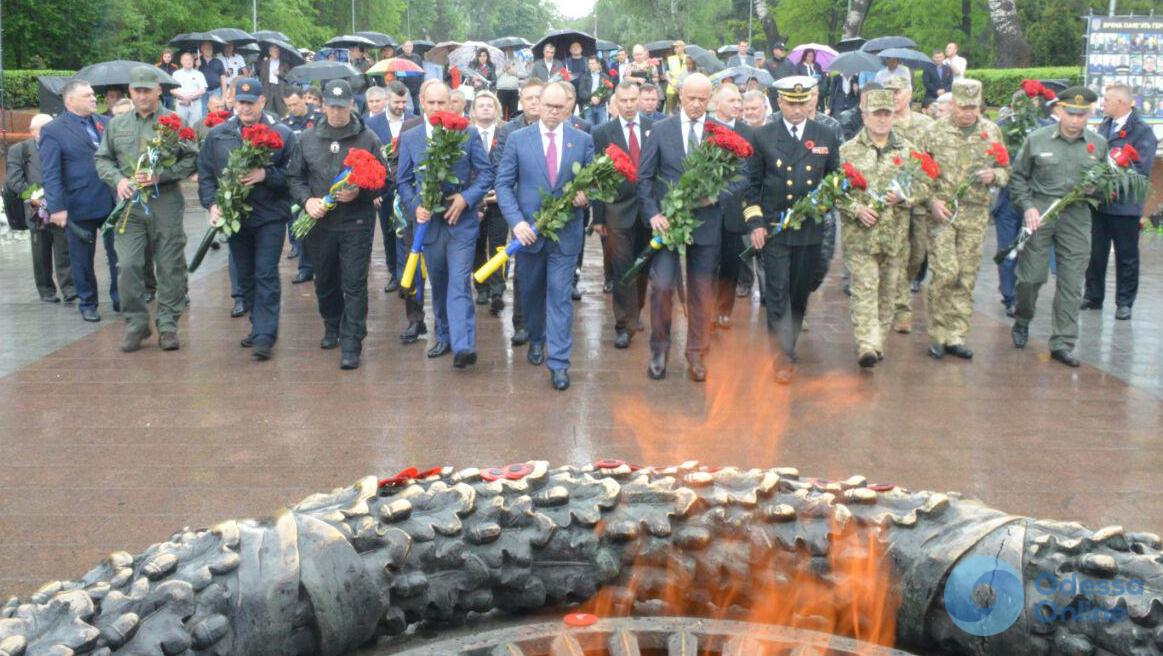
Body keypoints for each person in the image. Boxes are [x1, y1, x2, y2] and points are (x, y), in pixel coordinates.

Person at [494, 81, 595, 391]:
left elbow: (592, 182)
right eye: (547, 106)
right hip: (529, 235)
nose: (553, 112)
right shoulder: (518, 140)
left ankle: (560, 363)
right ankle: (536, 338)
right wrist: (517, 222)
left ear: (568, 107)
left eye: (559, 107)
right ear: (535, 106)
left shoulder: (582, 140)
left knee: (560, 295)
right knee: (532, 292)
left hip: (566, 235)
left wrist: (586, 195)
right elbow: (503, 184)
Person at [94, 66, 198, 352]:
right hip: (130, 207)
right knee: (127, 265)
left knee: (169, 265)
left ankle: (167, 325)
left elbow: (192, 160)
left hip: (164, 201)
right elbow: (103, 159)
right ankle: (137, 323)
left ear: (158, 91)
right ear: (130, 92)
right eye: (137, 90)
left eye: (147, 90)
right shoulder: (116, 124)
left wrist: (161, 176)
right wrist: (118, 180)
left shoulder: (173, 121)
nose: (142, 95)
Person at [744, 76, 840, 383]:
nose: (797, 109)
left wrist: (827, 201)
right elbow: (751, 186)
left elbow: (835, 181)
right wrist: (756, 223)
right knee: (777, 292)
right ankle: (781, 356)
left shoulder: (825, 134)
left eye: (802, 103)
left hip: (809, 230)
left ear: (811, 101)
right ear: (779, 102)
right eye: (790, 103)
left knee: (799, 293)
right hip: (775, 229)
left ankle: (790, 342)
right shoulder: (763, 136)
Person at [286, 79, 385, 370]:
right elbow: (294, 177)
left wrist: (360, 192)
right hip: (320, 223)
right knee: (325, 281)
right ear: (322, 105)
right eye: (332, 106)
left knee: (354, 283)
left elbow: (384, 181)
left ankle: (352, 341)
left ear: (352, 105)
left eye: (343, 107)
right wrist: (307, 202)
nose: (337, 112)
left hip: (356, 222)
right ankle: (331, 324)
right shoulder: (306, 139)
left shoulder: (367, 138)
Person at [397, 81, 495, 369]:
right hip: (429, 226)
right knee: (439, 281)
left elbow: (486, 174)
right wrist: (416, 206)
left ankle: (465, 345)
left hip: (461, 223)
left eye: (443, 103)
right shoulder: (411, 137)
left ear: (451, 103)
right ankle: (444, 336)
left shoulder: (467, 133)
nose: (438, 109)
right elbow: (402, 180)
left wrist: (466, 199)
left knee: (459, 281)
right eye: (432, 103)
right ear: (422, 103)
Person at [197, 78, 296, 361]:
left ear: (262, 102)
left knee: (265, 272)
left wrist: (267, 175)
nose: (245, 108)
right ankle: (257, 325)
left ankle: (265, 335)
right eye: (240, 103)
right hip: (236, 216)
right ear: (233, 102)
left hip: (270, 216)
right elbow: (206, 172)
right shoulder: (219, 135)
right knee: (245, 274)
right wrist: (212, 204)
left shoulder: (282, 134)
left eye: (251, 103)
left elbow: (293, 177)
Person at [1009, 87, 1108, 368]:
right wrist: (1027, 206)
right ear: (1059, 111)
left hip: (1077, 216)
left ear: (1089, 114)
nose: (1075, 121)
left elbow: (1106, 186)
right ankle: (1022, 318)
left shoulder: (1098, 145)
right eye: (1070, 113)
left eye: (1082, 115)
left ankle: (1063, 342)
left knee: (1072, 281)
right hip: (1040, 214)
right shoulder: (1037, 140)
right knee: (1030, 277)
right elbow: (1018, 178)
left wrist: (1096, 188)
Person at [639, 73, 727, 383]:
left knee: (701, 291)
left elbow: (740, 177)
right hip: (668, 224)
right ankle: (659, 349)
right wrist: (653, 215)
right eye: (692, 98)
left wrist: (716, 193)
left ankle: (696, 353)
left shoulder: (721, 133)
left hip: (706, 224)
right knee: (662, 286)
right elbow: (645, 177)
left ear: (711, 98)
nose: (697, 104)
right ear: (680, 95)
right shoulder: (660, 130)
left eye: (703, 99)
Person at [920, 79, 1009, 361]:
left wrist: (994, 176)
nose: (969, 113)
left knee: (966, 275)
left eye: (973, 107)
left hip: (975, 212)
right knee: (945, 272)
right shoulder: (934, 132)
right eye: (963, 107)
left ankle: (957, 335)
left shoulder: (991, 132)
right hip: (942, 212)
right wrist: (931, 201)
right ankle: (938, 333)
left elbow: (1006, 170)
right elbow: (917, 174)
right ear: (952, 104)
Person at [835, 87, 912, 368]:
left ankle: (877, 338)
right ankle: (866, 343)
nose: (882, 119)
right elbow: (834, 190)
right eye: (876, 114)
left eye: (887, 114)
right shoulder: (847, 151)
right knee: (864, 290)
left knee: (888, 293)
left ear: (894, 116)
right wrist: (856, 209)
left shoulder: (908, 151)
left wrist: (906, 196)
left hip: (894, 237)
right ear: (864, 117)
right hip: (861, 237)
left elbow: (927, 185)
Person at [41, 80, 119, 322]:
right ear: (70, 101)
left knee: (119, 254)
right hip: (78, 204)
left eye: (94, 95)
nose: (94, 99)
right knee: (81, 259)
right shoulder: (54, 130)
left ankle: (120, 299)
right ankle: (88, 302)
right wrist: (57, 207)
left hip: (111, 200)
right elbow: (51, 172)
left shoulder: (105, 123)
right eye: (88, 95)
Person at [1083, 82, 1156, 320]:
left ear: (1121, 103)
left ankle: (1125, 302)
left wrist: (1109, 177)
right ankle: (1093, 296)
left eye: (1106, 99)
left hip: (1125, 206)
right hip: (1099, 202)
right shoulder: (1105, 126)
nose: (1103, 103)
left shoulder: (1141, 131)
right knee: (1096, 252)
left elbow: (1141, 168)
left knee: (1126, 255)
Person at [592, 81, 653, 349]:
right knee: (621, 268)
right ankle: (623, 324)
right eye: (623, 100)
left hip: (649, 211)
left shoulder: (655, 129)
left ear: (640, 99)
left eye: (632, 100)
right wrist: (598, 217)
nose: (628, 105)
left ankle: (636, 311)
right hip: (617, 210)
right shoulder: (603, 132)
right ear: (616, 102)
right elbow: (596, 176)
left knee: (643, 266)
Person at [494, 79, 546, 346]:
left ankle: (543, 324)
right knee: (523, 270)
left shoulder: (560, 129)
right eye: (529, 99)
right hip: (520, 210)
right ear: (521, 103)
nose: (534, 103)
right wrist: (516, 209)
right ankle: (521, 323)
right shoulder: (510, 132)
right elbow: (504, 170)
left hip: (549, 210)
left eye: (539, 98)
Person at [881, 75, 933, 334]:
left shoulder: (926, 125)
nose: (894, 96)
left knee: (917, 254)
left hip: (919, 201)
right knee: (897, 252)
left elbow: (934, 163)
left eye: (898, 91)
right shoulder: (881, 122)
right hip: (891, 203)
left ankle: (900, 289)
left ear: (909, 94)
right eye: (889, 91)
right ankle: (901, 308)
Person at [6, 114, 75, 303]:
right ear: (32, 131)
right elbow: (14, 180)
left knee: (64, 249)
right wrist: (34, 196)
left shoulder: (60, 146)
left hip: (59, 205)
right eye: (43, 129)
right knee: (41, 251)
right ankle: (46, 290)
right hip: (36, 209)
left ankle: (69, 288)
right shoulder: (20, 150)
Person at [365, 81, 413, 294]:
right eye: (396, 101)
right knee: (389, 232)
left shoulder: (413, 120)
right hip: (383, 188)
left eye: (404, 101)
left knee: (406, 232)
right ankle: (394, 273)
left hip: (408, 186)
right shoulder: (372, 123)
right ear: (387, 100)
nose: (401, 106)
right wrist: (373, 190)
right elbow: (368, 157)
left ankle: (407, 276)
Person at [469, 91, 508, 314]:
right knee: (477, 245)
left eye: (490, 105)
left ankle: (497, 286)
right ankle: (481, 286)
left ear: (497, 111)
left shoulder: (505, 135)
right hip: (474, 202)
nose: (485, 108)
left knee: (499, 246)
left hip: (500, 201)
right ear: (473, 112)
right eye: (481, 105)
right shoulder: (466, 135)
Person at [172, 51, 208, 125]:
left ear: (193, 61)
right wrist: (184, 97)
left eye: (190, 60)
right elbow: (172, 90)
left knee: (195, 126)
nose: (188, 62)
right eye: (186, 60)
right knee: (180, 126)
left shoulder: (199, 74)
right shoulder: (176, 74)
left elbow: (203, 89)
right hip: (181, 103)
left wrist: (190, 97)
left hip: (195, 104)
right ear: (181, 62)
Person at [579, 55, 611, 126]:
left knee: (603, 126)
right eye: (589, 64)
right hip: (588, 105)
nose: (590, 66)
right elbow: (581, 92)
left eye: (592, 63)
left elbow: (608, 92)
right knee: (589, 126)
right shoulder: (584, 77)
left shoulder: (605, 76)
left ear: (598, 64)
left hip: (601, 105)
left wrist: (600, 98)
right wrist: (591, 97)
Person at [258, 45, 290, 115]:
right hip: (268, 88)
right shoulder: (265, 62)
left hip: (280, 88)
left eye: (277, 51)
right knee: (268, 109)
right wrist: (261, 92)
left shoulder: (284, 63)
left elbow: (289, 76)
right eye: (274, 51)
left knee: (281, 109)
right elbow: (261, 78)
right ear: (270, 52)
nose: (276, 53)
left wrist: (280, 73)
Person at [197, 41, 227, 112]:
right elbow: (193, 76)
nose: (209, 50)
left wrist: (224, 96)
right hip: (202, 91)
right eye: (206, 48)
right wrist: (197, 66)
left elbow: (223, 79)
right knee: (202, 112)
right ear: (202, 49)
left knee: (217, 111)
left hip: (216, 90)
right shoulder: (197, 61)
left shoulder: (218, 62)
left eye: (210, 48)